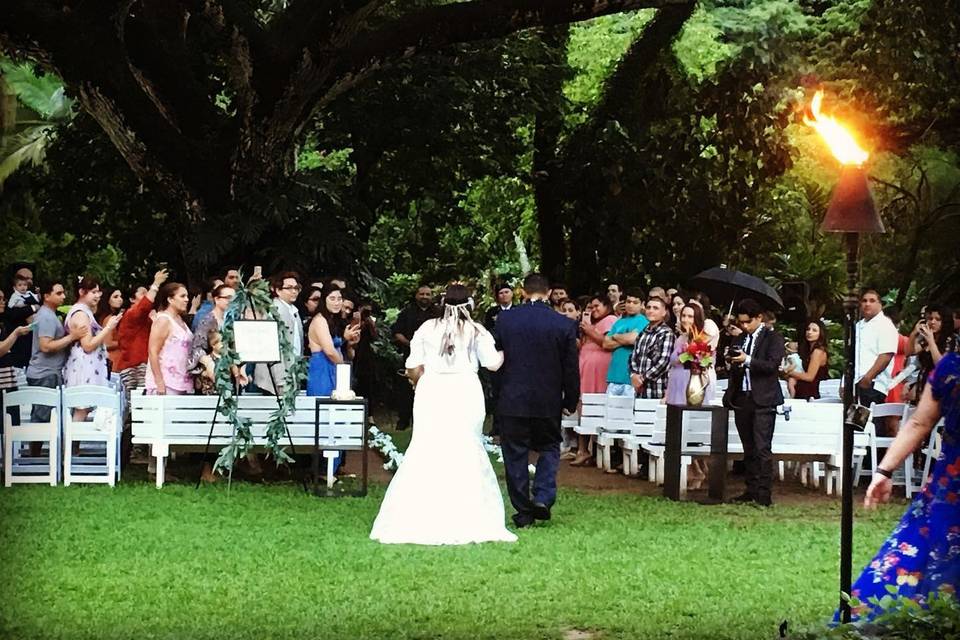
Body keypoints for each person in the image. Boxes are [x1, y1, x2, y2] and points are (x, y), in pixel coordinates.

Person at [370, 284, 517, 545]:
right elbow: (492, 364)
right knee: (465, 445)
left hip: (433, 390)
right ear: (469, 305)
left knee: (428, 446)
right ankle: (468, 511)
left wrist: (420, 379)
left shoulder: (427, 328)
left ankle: (420, 511)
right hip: (464, 389)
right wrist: (507, 353)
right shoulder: (476, 330)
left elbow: (412, 364)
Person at [845, 351, 960, 621]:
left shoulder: (951, 366)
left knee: (925, 549)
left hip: (949, 488)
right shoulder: (951, 366)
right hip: (950, 488)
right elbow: (919, 422)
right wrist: (884, 470)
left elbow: (919, 423)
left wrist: (884, 470)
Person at [495, 273, 579, 528]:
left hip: (512, 397)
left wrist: (497, 396)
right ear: (549, 292)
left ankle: (523, 510)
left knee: (515, 452)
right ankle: (542, 496)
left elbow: (495, 362)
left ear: (522, 291)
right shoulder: (562, 324)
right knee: (550, 446)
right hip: (547, 398)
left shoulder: (505, 320)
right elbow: (570, 367)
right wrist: (571, 398)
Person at [723, 299, 785, 506]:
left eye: (748, 322)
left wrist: (747, 360)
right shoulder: (739, 339)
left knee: (762, 448)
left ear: (759, 318)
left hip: (764, 399)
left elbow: (771, 366)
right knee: (748, 447)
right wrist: (732, 361)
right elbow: (735, 368)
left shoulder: (773, 338)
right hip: (743, 397)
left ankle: (764, 494)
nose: (744, 326)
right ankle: (750, 489)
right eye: (741, 322)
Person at [306, 284, 361, 474]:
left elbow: (339, 348)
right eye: (332, 298)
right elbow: (329, 350)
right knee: (326, 418)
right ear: (324, 300)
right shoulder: (320, 320)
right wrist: (343, 367)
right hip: (322, 370)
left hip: (334, 369)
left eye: (339, 299)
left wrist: (347, 341)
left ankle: (333, 467)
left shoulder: (333, 321)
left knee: (338, 417)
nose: (337, 303)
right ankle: (321, 469)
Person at [63, 276, 122, 421]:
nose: (97, 295)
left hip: (86, 365)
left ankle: (73, 443)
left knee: (84, 407)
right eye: (93, 292)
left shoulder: (83, 312)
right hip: (84, 366)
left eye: (98, 292)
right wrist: (108, 328)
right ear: (82, 292)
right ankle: (72, 443)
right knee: (82, 408)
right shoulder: (81, 314)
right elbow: (88, 345)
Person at [25, 280, 83, 422]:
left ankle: (38, 444)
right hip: (44, 373)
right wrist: (72, 337)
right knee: (41, 418)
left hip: (47, 372)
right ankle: (35, 445)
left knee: (45, 417)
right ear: (46, 296)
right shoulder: (46, 317)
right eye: (58, 293)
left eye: (63, 293)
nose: (63, 296)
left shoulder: (50, 314)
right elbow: (45, 346)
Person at [570, 294, 617, 466]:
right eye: (591, 307)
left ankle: (588, 450)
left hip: (598, 371)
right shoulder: (592, 323)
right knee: (584, 407)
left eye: (597, 306)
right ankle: (583, 449)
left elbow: (605, 342)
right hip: (586, 369)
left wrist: (589, 329)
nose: (594, 309)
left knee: (592, 407)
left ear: (607, 306)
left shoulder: (611, 320)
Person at [391, 284, 437, 430]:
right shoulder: (407, 313)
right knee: (406, 390)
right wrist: (411, 344)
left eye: (428, 294)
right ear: (416, 295)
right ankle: (403, 420)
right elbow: (397, 332)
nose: (425, 297)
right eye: (422, 294)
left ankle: (428, 421)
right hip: (410, 356)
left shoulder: (438, 313)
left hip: (432, 358)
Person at [253, 272, 303, 395]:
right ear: (278, 290)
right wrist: (280, 380)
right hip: (275, 376)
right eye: (289, 288)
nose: (294, 291)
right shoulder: (275, 311)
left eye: (296, 288)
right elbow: (273, 347)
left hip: (291, 370)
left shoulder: (293, 310)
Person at [854, 289, 899, 426]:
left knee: (871, 426)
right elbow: (853, 355)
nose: (867, 304)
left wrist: (868, 378)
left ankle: (873, 449)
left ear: (880, 305)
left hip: (872, 384)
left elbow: (886, 355)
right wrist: (845, 382)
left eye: (872, 301)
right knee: (856, 426)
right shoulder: (859, 325)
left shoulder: (885, 325)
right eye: (864, 300)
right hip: (856, 384)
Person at [187, 284, 237, 395]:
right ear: (217, 299)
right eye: (228, 298)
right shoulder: (207, 320)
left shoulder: (231, 319)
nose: (232, 301)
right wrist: (210, 365)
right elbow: (197, 348)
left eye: (234, 298)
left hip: (229, 371)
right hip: (210, 377)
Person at [145, 282, 194, 396]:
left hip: (182, 381)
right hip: (166, 383)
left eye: (187, 296)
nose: (187, 299)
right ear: (170, 299)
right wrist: (159, 382)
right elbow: (153, 351)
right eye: (182, 296)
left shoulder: (180, 319)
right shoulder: (163, 320)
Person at [665, 303, 716, 406]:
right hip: (676, 383)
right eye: (683, 316)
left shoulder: (704, 338)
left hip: (692, 383)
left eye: (690, 317)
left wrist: (692, 350)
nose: (685, 319)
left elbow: (710, 360)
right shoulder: (681, 338)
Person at [603, 288, 649, 397]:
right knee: (610, 412)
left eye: (635, 302)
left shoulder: (644, 321)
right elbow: (605, 344)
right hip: (614, 376)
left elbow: (632, 339)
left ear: (642, 305)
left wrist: (615, 336)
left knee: (627, 412)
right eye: (628, 302)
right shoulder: (619, 321)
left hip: (631, 378)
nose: (631, 305)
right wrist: (625, 339)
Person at [629, 297, 675, 400]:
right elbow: (633, 356)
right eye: (648, 307)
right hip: (639, 392)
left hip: (657, 391)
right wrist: (633, 375)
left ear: (664, 312)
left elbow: (663, 362)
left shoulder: (666, 333)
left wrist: (642, 379)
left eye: (655, 308)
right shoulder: (643, 332)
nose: (651, 310)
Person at [908, 304, 955, 400]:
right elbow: (910, 352)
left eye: (938, 319)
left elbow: (940, 364)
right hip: (922, 388)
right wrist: (913, 334)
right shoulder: (927, 338)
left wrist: (931, 341)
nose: (933, 322)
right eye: (930, 318)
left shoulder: (950, 340)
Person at [785, 319, 829, 400]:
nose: (809, 332)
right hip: (801, 391)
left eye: (814, 330)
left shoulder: (818, 351)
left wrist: (789, 372)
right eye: (808, 329)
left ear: (821, 334)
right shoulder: (807, 350)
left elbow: (809, 377)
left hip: (809, 394)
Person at [95, 286, 124, 370]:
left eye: (120, 296)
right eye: (115, 297)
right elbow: (107, 343)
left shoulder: (109, 316)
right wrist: (124, 342)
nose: (120, 299)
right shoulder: (109, 319)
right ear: (107, 300)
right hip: (113, 360)